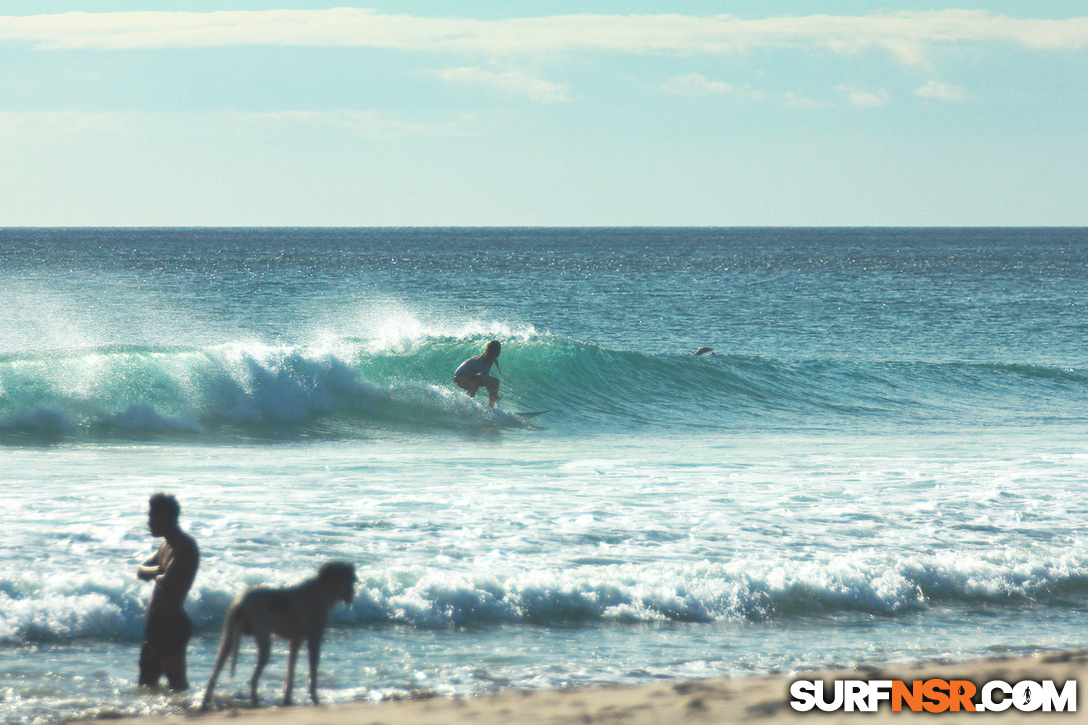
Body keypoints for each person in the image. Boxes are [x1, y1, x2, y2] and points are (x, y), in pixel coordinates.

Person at [137, 493, 200, 691]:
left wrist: (157, 573)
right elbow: (141, 570)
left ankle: (190, 717)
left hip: (172, 623)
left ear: (163, 517)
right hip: (157, 623)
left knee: (177, 683)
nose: (148, 522)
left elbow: (169, 581)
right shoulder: (166, 545)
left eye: (151, 517)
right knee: (146, 682)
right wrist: (158, 571)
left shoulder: (184, 546)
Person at [454, 339, 502, 408]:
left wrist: (493, 392)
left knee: (495, 381)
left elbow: (485, 378)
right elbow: (484, 378)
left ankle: (491, 407)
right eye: (498, 349)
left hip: (470, 376)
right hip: (459, 377)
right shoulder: (484, 359)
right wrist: (493, 393)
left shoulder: (490, 359)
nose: (499, 352)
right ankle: (466, 405)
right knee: (474, 385)